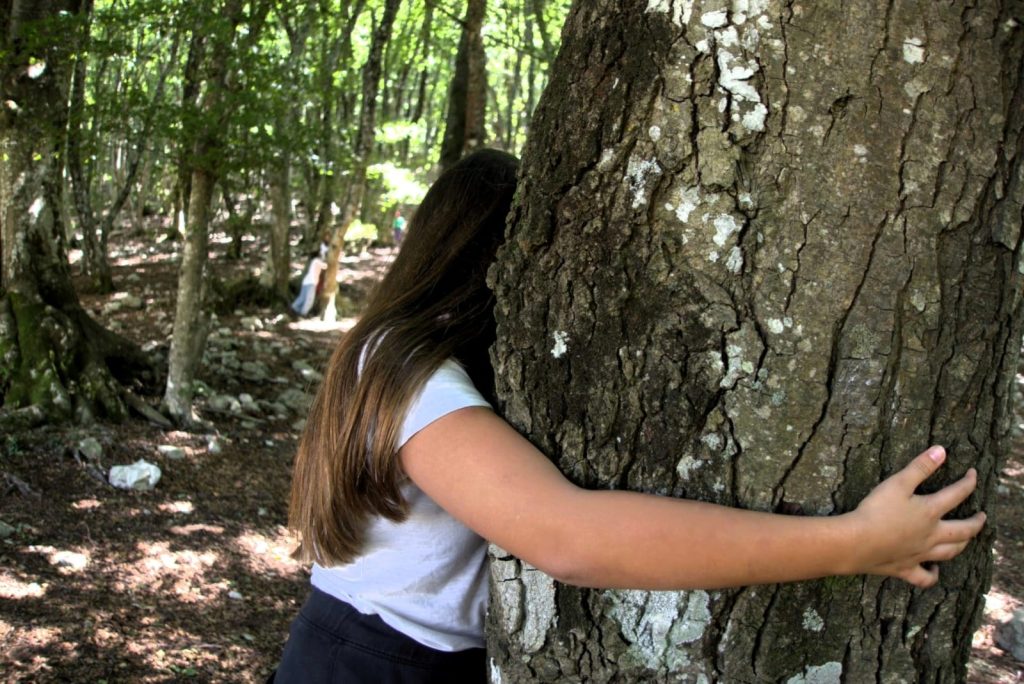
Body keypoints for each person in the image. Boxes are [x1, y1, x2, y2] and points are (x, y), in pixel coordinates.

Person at [272, 149, 986, 683]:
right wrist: (854, 543)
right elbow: (570, 537)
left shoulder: (396, 353)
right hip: (374, 664)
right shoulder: (408, 369)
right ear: (492, 258)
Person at [290, 239, 329, 317]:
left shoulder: (314, 261)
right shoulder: (316, 261)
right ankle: (302, 314)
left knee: (302, 298)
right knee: (309, 300)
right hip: (311, 282)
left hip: (306, 282)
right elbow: (325, 266)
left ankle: (293, 309)